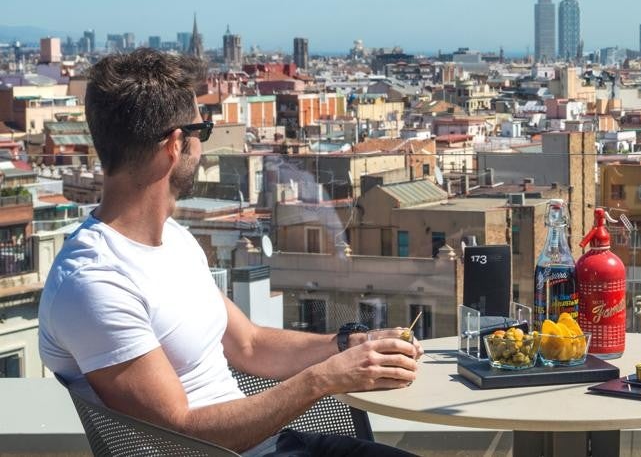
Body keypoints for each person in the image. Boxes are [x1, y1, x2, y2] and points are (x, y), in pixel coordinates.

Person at [39, 49, 420, 456]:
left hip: (272, 445)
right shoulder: (94, 284)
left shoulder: (175, 240)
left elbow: (250, 344)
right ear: (174, 145)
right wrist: (324, 379)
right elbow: (184, 432)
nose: (204, 146)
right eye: (201, 131)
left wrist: (351, 345)